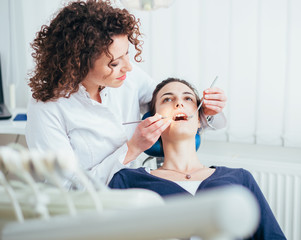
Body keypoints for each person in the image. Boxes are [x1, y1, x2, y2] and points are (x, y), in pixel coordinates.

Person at [25, 0, 227, 185]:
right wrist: (131, 149)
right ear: (77, 64)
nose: (128, 68)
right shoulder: (47, 108)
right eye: (114, 63)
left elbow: (168, 104)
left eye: (127, 54)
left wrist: (209, 112)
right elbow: (67, 190)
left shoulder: (127, 77)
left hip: (128, 192)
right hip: (83, 214)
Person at [108, 78, 286, 240]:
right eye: (167, 99)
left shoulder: (240, 178)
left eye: (188, 99)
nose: (179, 103)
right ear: (153, 120)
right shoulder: (128, 181)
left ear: (200, 120)